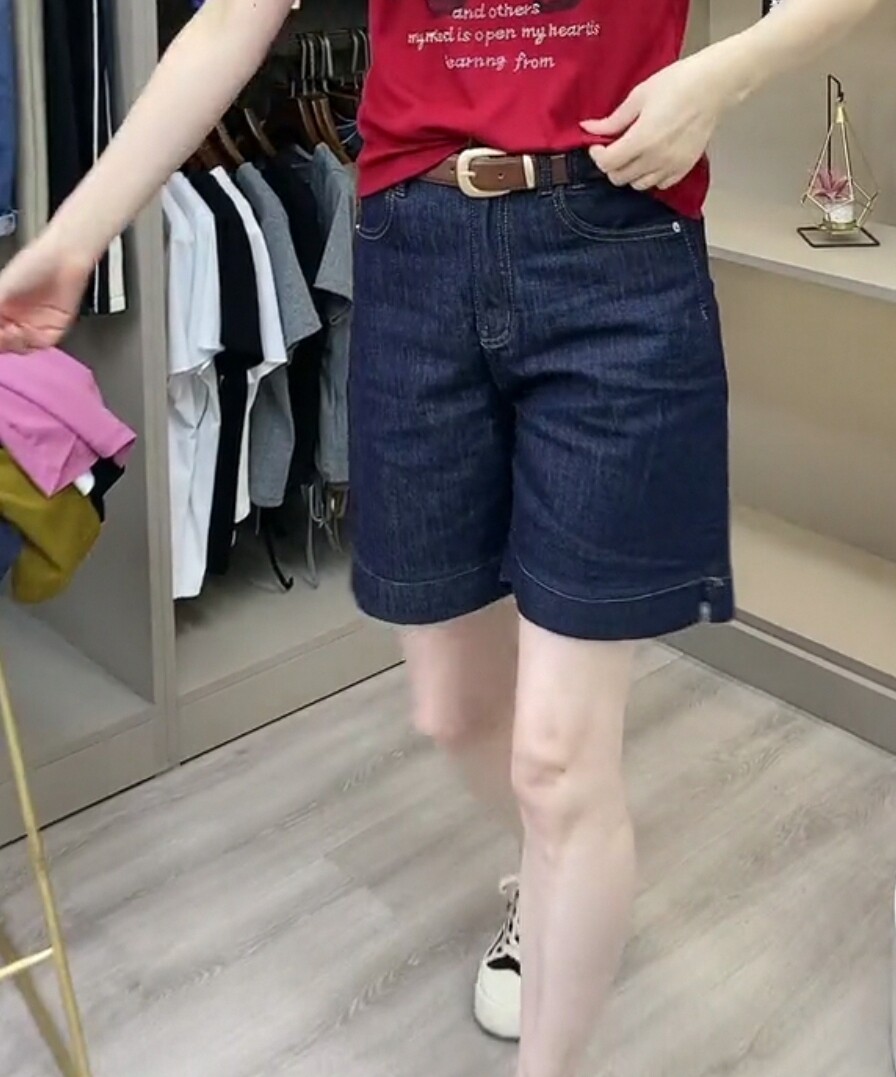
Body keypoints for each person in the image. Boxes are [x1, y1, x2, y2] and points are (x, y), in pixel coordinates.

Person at [0, 0, 882, 1073]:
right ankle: (558, 858)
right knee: (453, 710)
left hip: (612, 242)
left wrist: (718, 78)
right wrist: (75, 237)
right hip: (414, 257)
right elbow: (234, 19)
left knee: (556, 760)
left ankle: (561, 898)